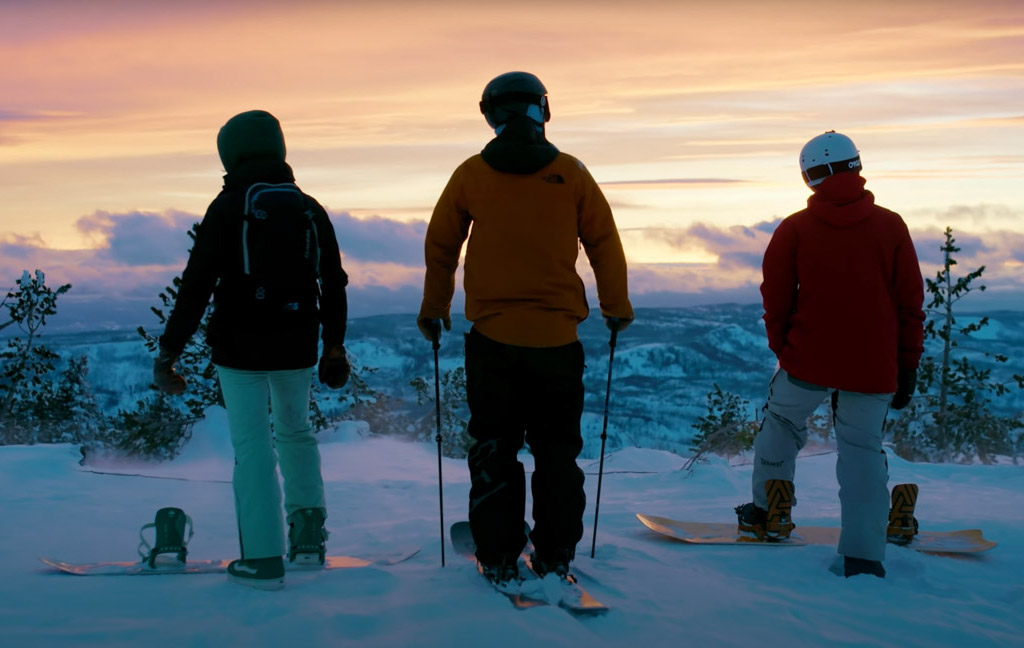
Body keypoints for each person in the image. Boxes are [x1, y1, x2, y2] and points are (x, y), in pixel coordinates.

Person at [418, 71, 634, 586]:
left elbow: (441, 244)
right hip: (558, 342)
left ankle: (496, 553)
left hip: (492, 342)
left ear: (491, 115)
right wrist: (615, 305)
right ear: (542, 110)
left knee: (495, 446)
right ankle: (556, 553)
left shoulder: (471, 173)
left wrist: (434, 306)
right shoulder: (571, 172)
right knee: (557, 452)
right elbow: (603, 241)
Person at [154, 110, 351, 590]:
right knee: (296, 432)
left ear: (230, 152)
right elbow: (334, 282)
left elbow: (196, 286)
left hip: (239, 347)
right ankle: (307, 539)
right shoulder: (307, 206)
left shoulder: (226, 207)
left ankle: (262, 559)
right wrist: (334, 346)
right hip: (298, 342)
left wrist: (168, 355)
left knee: (252, 446)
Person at [737, 131, 924, 578]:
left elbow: (775, 300)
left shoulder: (794, 230)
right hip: (873, 366)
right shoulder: (891, 226)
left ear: (810, 176)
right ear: (856, 167)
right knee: (861, 451)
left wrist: (787, 349)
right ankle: (863, 554)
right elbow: (909, 305)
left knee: (781, 424)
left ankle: (769, 512)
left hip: (807, 360)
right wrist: (907, 366)